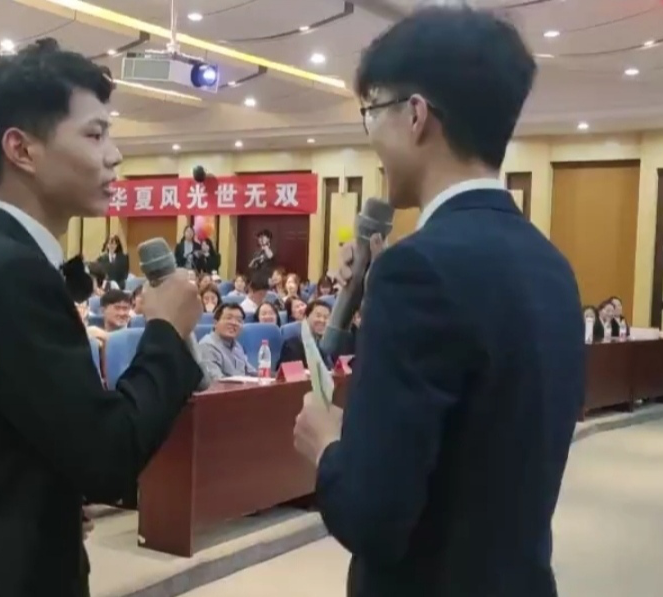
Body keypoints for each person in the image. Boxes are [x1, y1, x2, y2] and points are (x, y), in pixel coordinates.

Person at [0, 38, 204, 597]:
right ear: (22, 150)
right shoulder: (10, 273)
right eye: (94, 134)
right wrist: (165, 332)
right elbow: (110, 456)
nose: (114, 155)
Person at [291, 7, 584, 597]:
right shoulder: (551, 265)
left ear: (416, 115)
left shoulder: (415, 272)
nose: (371, 136)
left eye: (372, 111)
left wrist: (327, 447)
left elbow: (374, 518)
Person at [198, 302, 256, 381]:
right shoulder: (207, 346)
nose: (234, 323)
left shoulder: (237, 346)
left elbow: (252, 372)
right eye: (229, 318)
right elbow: (216, 381)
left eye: (239, 320)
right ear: (215, 323)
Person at [280, 300, 332, 366]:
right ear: (306, 317)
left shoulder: (327, 345)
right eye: (318, 316)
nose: (322, 320)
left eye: (326, 317)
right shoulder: (292, 346)